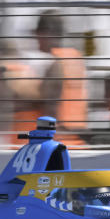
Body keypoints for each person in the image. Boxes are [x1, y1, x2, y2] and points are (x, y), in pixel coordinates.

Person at [34, 10, 88, 148]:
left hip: (58, 139)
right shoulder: (76, 59)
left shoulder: (56, 64)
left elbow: (49, 102)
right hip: (77, 137)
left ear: (46, 33)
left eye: (37, 35)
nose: (36, 40)